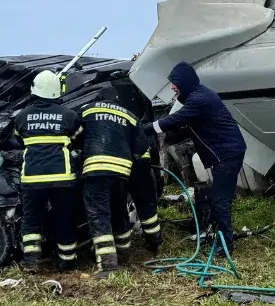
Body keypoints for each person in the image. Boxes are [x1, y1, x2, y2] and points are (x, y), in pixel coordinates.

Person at [145, 62, 246, 254]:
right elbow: (190, 128)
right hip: (226, 153)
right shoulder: (199, 96)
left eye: (175, 83)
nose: (173, 87)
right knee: (218, 198)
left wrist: (145, 129)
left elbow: (174, 120)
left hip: (227, 154)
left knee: (219, 200)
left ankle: (225, 246)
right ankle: (220, 236)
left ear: (185, 82)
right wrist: (169, 139)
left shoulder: (199, 100)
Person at [11, 70, 80, 271]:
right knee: (64, 218)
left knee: (32, 220)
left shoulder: (22, 116)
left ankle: (31, 261)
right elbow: (77, 139)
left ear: (35, 90)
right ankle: (67, 261)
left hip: (32, 179)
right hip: (62, 178)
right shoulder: (69, 115)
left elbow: (19, 140)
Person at [77, 91, 149, 278]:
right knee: (119, 211)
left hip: (96, 171)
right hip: (122, 173)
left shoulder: (86, 111)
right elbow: (141, 145)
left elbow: (75, 138)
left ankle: (108, 267)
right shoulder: (129, 116)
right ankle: (124, 253)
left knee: (99, 216)